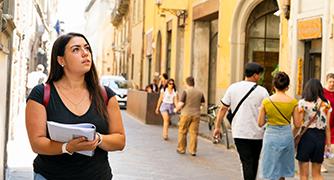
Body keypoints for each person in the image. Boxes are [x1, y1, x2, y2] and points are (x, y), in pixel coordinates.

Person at [26, 32, 126, 180]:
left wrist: (97, 139)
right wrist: (67, 147)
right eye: (76, 49)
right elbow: (37, 143)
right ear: (61, 60)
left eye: (87, 48)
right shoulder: (41, 94)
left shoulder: (105, 95)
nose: (85, 53)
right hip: (50, 176)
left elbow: (120, 140)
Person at [213, 62, 269, 180]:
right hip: (258, 133)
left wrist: (217, 127)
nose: (260, 77)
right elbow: (268, 112)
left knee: (247, 161)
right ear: (254, 75)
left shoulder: (233, 88)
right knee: (254, 161)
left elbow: (223, 108)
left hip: (239, 132)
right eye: (259, 75)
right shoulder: (263, 91)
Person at [257, 72, 301, 180]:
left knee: (270, 167)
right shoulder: (293, 102)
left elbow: (260, 123)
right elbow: (298, 124)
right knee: (282, 168)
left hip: (271, 135)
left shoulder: (266, 102)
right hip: (286, 135)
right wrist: (291, 134)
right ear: (287, 87)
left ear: (274, 86)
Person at [296, 78, 331, 180]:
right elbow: (327, 126)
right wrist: (328, 144)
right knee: (317, 174)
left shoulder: (302, 103)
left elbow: (298, 124)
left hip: (306, 137)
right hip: (320, 137)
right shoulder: (326, 103)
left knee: (303, 175)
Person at [174, 76, 205, 156]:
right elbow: (203, 104)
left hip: (185, 114)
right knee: (194, 133)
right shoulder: (200, 92)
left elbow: (181, 104)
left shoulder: (186, 92)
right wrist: (198, 108)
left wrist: (176, 109)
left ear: (186, 83)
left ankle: (181, 149)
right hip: (196, 115)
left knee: (182, 131)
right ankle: (193, 150)